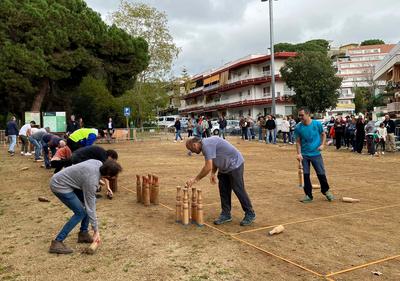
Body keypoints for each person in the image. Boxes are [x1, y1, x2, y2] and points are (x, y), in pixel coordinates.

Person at [49, 159, 122, 254]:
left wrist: (98, 180)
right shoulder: (91, 182)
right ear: (108, 175)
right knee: (80, 213)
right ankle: (57, 242)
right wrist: (96, 231)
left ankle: (83, 234)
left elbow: (84, 171)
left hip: (67, 180)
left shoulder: (98, 163)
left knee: (91, 202)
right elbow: (90, 208)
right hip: (59, 185)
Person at [185, 137, 256, 226]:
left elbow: (208, 166)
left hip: (235, 164)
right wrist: (213, 173)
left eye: (192, 149)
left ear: (194, 145)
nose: (193, 152)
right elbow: (214, 159)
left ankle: (250, 213)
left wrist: (196, 179)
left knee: (238, 189)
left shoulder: (206, 145)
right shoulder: (205, 146)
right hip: (224, 168)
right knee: (223, 190)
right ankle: (226, 214)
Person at [294, 108, 334, 203]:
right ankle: (308, 195)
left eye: (302, 115)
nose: (300, 117)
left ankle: (326, 191)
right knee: (306, 176)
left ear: (308, 114)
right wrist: (299, 154)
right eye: (299, 115)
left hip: (316, 154)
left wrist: (322, 144)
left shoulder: (317, 124)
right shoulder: (298, 127)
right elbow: (298, 142)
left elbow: (323, 134)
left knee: (321, 174)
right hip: (304, 155)